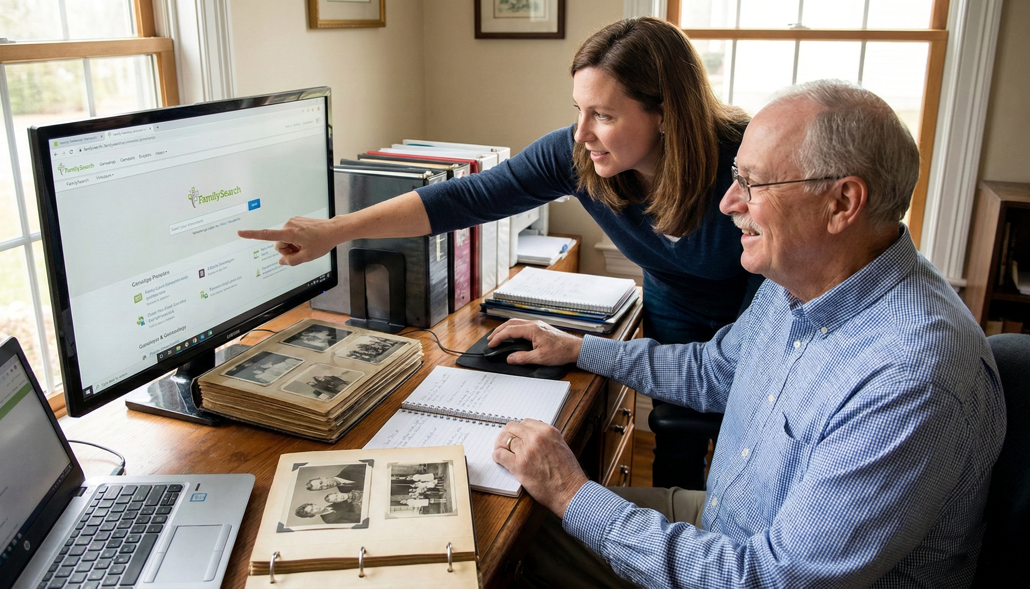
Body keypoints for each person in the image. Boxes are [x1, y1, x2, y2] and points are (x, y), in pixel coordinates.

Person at [485, 80, 1006, 587]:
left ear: (842, 203)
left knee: (514, 541)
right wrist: (579, 348)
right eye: (737, 177)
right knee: (517, 527)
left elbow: (765, 577)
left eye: (753, 184)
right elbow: (715, 370)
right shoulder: (800, 279)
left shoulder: (912, 378)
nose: (728, 203)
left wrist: (571, 492)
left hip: (748, 568)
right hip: (726, 521)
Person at [238, 17, 760, 489]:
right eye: (578, 110)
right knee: (675, 441)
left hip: (755, 305)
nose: (582, 133)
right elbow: (466, 197)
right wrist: (336, 230)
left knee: (744, 438)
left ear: (665, 114)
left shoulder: (744, 168)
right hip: (673, 298)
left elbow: (747, 345)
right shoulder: (579, 155)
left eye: (603, 115)